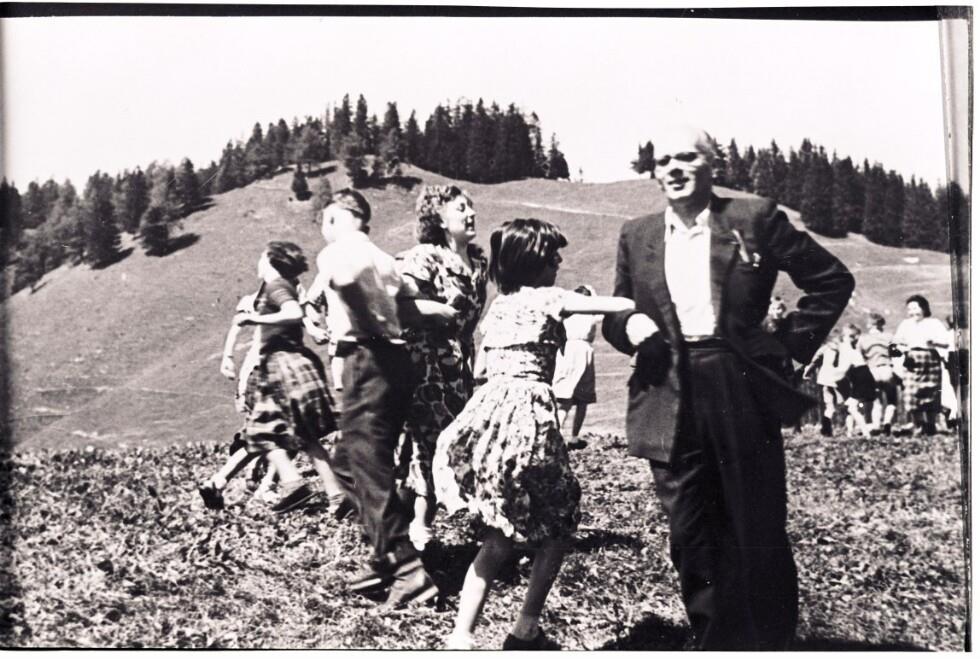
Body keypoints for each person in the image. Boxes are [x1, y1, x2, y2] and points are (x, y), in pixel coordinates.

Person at [602, 125, 854, 650]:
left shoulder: (753, 218)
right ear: (653, 173)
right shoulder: (637, 233)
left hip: (736, 381)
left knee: (754, 521)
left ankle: (770, 643)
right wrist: (628, 326)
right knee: (689, 530)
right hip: (666, 386)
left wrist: (786, 349)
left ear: (711, 164)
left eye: (686, 157)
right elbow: (617, 311)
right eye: (663, 160)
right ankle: (715, 641)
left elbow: (831, 280)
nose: (673, 168)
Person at [433, 218, 634, 650]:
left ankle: (461, 636)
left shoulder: (498, 307)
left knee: (498, 537)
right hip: (530, 418)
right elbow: (616, 305)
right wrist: (638, 298)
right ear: (532, 262)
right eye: (551, 256)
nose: (559, 262)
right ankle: (525, 629)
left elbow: (482, 369)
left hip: (490, 419)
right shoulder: (549, 298)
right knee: (559, 526)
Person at [312, 189, 454, 609]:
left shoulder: (337, 251)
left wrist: (365, 318)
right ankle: (383, 553)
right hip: (397, 361)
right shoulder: (385, 258)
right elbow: (408, 307)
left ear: (338, 217)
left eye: (326, 220)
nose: (324, 229)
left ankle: (407, 569)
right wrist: (441, 313)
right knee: (346, 463)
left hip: (366, 358)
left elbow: (345, 282)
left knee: (367, 466)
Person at [214, 242, 345, 515]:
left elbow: (294, 312)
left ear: (272, 262)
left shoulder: (276, 286)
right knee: (306, 437)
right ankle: (337, 495)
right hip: (293, 365)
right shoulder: (281, 285)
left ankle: (294, 484)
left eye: (262, 257)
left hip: (281, 366)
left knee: (263, 431)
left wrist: (255, 320)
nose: (258, 262)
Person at [395, 185, 489, 551]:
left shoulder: (478, 262)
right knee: (431, 441)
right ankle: (420, 524)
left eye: (471, 207)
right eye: (461, 208)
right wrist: (436, 310)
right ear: (439, 218)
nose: (471, 214)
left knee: (450, 439)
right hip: (427, 364)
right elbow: (398, 305)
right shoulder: (425, 257)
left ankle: (404, 517)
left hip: (459, 365)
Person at [892, 295, 948, 435]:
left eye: (915, 308)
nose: (912, 312)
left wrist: (934, 342)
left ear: (924, 308)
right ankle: (919, 425)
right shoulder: (905, 324)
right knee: (911, 394)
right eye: (910, 309)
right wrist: (902, 349)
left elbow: (946, 342)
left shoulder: (934, 323)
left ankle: (930, 425)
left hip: (930, 360)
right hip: (911, 360)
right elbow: (896, 343)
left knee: (931, 392)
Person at [552, 284, 600, 449]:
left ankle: (557, 433)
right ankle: (573, 437)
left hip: (567, 350)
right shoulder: (591, 312)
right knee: (582, 398)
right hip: (583, 351)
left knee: (564, 396)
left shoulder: (568, 313)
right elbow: (602, 312)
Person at [859, 313, 900, 435]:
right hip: (887, 369)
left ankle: (876, 426)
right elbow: (897, 352)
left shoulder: (863, 339)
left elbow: (859, 356)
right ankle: (887, 423)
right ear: (881, 324)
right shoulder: (888, 337)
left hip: (872, 371)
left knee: (877, 401)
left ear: (869, 325)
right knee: (891, 400)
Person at [803, 330, 849, 437]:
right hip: (839, 378)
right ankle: (849, 428)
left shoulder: (824, 348)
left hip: (825, 379)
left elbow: (814, 362)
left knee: (829, 404)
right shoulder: (844, 348)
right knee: (846, 402)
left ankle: (826, 427)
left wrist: (806, 373)